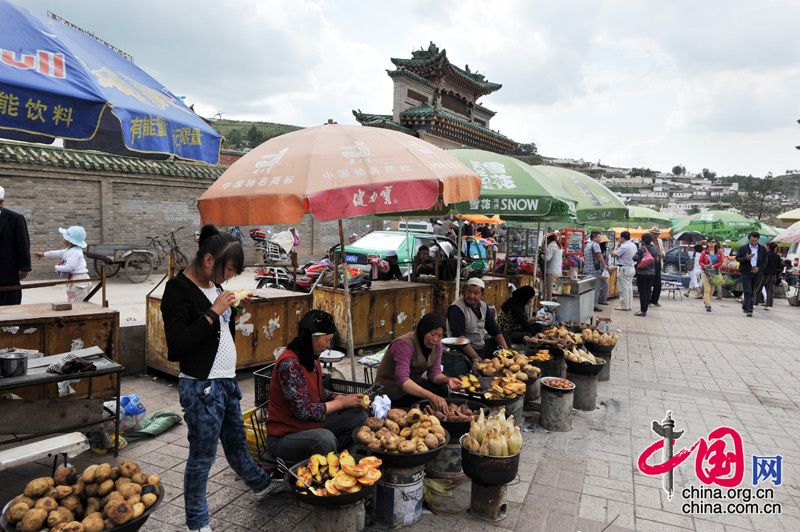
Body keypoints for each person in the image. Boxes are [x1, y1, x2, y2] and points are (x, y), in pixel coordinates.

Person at [160, 225, 274, 532]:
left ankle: (261, 484)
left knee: (237, 444)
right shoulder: (177, 290)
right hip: (201, 386)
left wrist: (231, 306)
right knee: (202, 457)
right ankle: (197, 523)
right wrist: (213, 311)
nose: (229, 279)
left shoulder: (214, 287)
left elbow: (218, 331)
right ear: (209, 261)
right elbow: (177, 346)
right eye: (229, 271)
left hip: (226, 381)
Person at [267, 310, 367, 464]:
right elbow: (303, 410)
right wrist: (340, 404)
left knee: (359, 415)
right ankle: (327, 465)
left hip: (309, 426)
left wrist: (338, 397)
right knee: (324, 439)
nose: (328, 346)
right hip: (285, 437)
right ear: (311, 338)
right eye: (326, 341)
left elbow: (318, 390)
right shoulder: (290, 364)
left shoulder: (311, 357)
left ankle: (335, 457)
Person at [375, 314, 462, 409]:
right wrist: (431, 396)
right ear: (423, 331)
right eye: (432, 334)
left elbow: (434, 374)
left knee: (442, 389)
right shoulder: (404, 344)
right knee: (429, 398)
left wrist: (448, 379)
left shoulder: (437, 345)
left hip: (412, 385)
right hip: (392, 391)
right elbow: (402, 380)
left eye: (440, 335)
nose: (435, 339)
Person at [446, 277, 508, 361]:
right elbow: (459, 337)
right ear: (464, 291)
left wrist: (506, 351)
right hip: (463, 351)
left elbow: (494, 329)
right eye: (469, 291)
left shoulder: (483, 306)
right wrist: (476, 358)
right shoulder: (456, 308)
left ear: (482, 295)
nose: (471, 296)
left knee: (505, 339)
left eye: (476, 293)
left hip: (481, 347)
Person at [34, 226, 91, 302]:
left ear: (69, 241)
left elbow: (69, 268)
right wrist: (44, 254)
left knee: (77, 304)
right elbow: (58, 253)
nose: (63, 239)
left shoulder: (75, 252)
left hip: (79, 280)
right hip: (76, 279)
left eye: (64, 238)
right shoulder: (70, 250)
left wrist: (56, 267)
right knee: (73, 301)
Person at [0, 186, 31, 305]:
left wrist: (24, 267)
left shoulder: (15, 219)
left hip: (7, 272)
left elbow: (23, 244)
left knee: (9, 306)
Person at [736, 231, 767, 317]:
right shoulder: (743, 248)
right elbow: (738, 258)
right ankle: (750, 309)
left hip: (757, 273)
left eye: (755, 240)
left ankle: (745, 305)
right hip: (746, 272)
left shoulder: (763, 249)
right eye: (752, 240)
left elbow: (765, 261)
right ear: (749, 239)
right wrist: (746, 258)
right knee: (748, 290)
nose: (754, 242)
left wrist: (758, 268)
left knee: (753, 290)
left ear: (758, 240)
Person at [633, 233, 659, 317]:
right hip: (652, 273)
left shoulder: (641, 249)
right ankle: (645, 309)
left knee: (642, 292)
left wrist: (640, 257)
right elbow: (656, 260)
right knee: (648, 291)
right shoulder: (654, 249)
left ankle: (643, 310)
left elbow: (635, 258)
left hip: (642, 273)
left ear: (643, 239)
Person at [582, 231, 607, 312]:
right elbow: (599, 255)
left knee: (588, 289)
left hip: (587, 270)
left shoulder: (588, 245)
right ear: (595, 237)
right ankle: (594, 306)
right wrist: (605, 265)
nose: (600, 239)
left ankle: (587, 305)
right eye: (599, 237)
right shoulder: (595, 244)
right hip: (594, 271)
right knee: (596, 288)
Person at [613, 231, 637, 311]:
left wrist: (616, 246)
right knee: (629, 287)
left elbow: (614, 254)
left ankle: (624, 306)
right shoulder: (633, 245)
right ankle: (628, 305)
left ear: (622, 238)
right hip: (631, 268)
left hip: (624, 268)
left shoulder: (624, 246)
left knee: (624, 288)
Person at [698, 239, 724, 312]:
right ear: (707, 243)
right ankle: (708, 304)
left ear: (716, 243)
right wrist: (705, 265)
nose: (711, 243)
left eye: (713, 242)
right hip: (705, 272)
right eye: (710, 242)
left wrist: (714, 266)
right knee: (707, 289)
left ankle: (706, 300)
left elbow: (720, 262)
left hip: (714, 272)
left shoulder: (719, 252)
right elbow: (700, 262)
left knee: (712, 290)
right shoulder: (704, 252)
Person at [760, 242, 782, 310]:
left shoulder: (765, 255)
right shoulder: (778, 256)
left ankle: (754, 303)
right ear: (775, 248)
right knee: (770, 290)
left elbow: (762, 264)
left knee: (758, 288)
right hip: (773, 275)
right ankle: (768, 305)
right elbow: (780, 267)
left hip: (764, 274)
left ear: (768, 247)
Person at [543, 233, 562, 302]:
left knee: (549, 291)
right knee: (556, 290)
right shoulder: (558, 246)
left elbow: (547, 258)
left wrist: (542, 255)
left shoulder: (551, 246)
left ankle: (549, 307)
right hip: (558, 271)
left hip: (552, 271)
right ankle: (555, 306)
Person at [649, 229, 664, 307]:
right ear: (651, 233)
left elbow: (663, 250)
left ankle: (655, 300)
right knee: (649, 283)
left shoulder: (660, 241)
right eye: (655, 234)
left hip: (658, 263)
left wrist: (662, 254)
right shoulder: (648, 240)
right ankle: (648, 301)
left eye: (658, 234)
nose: (657, 235)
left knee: (658, 284)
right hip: (650, 264)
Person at [597, 235, 610, 306]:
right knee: (604, 285)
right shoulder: (603, 251)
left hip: (600, 269)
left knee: (602, 285)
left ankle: (601, 299)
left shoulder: (601, 250)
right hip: (602, 269)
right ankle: (602, 300)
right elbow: (605, 260)